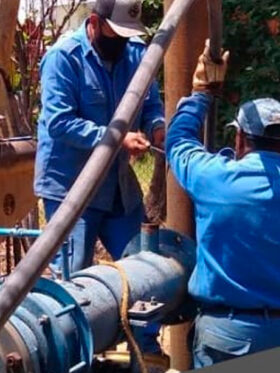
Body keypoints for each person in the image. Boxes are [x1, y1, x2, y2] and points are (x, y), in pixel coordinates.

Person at [165, 44, 280, 368]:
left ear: (239, 138)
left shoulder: (214, 178)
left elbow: (178, 141)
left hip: (226, 333)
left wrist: (201, 94)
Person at [34, 0, 166, 273]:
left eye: (127, 35)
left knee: (144, 269)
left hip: (119, 188)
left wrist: (157, 127)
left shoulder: (136, 54)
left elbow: (151, 104)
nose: (121, 42)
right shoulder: (63, 58)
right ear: (94, 22)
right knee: (73, 278)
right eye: (116, 34)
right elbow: (59, 123)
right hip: (71, 189)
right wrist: (118, 138)